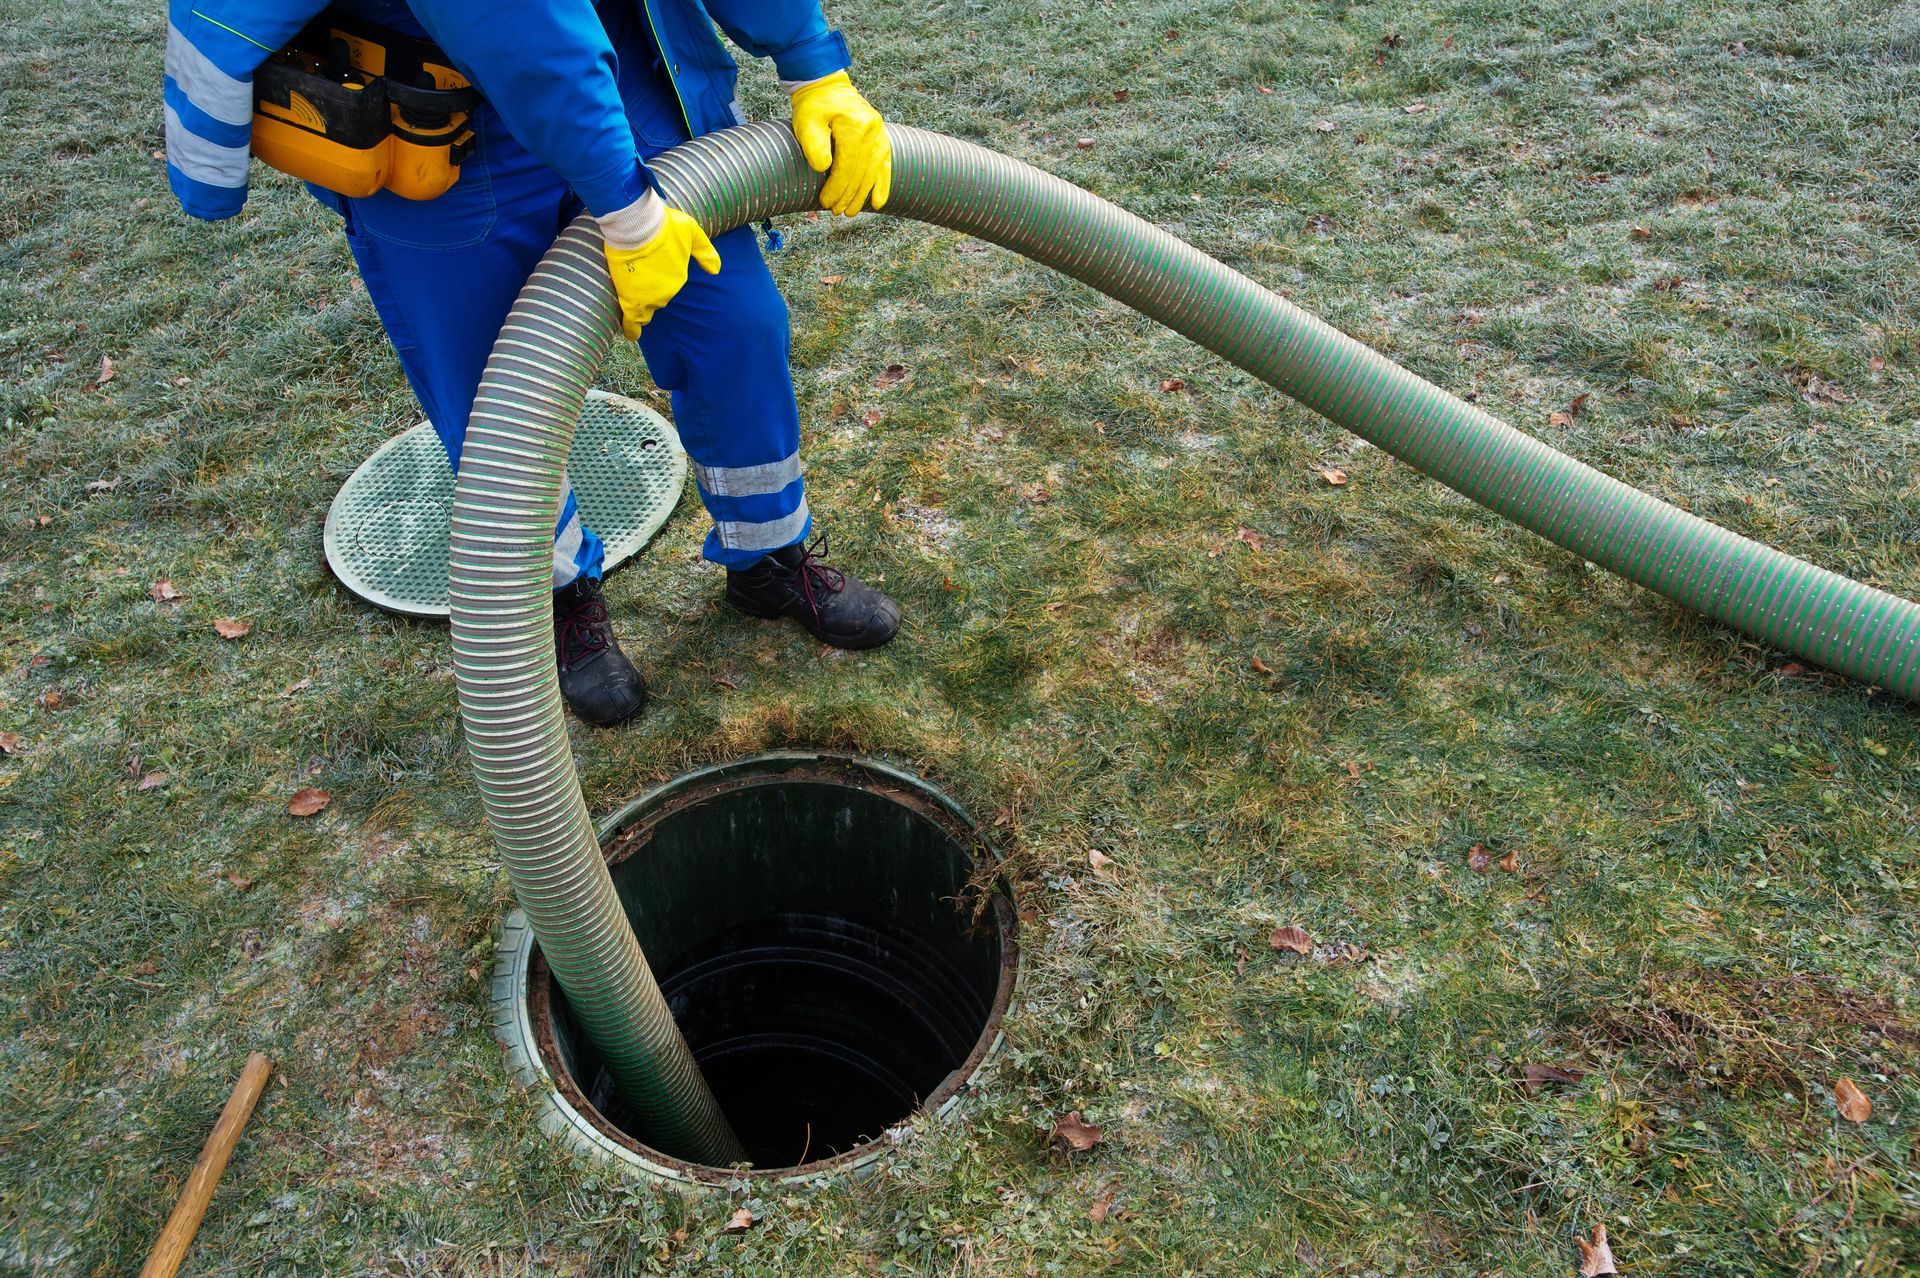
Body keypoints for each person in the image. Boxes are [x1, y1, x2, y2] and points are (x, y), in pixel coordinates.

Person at [163, 0, 901, 727]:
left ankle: (768, 557)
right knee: (497, 399)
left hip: (615, 63)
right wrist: (628, 209)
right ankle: (564, 597)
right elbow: (514, 22)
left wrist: (811, 63)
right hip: (425, 103)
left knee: (734, 326)